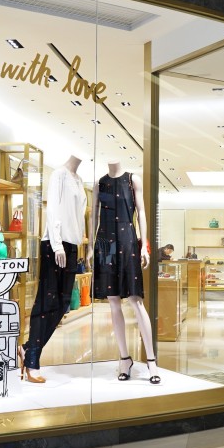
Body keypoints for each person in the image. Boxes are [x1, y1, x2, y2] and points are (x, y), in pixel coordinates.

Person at [91, 161, 161, 384]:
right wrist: (90, 246)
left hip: (128, 240)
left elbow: (141, 212)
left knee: (135, 300)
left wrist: (144, 246)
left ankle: (151, 361)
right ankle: (124, 359)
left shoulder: (133, 180)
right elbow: (94, 216)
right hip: (105, 243)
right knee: (113, 301)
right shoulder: (99, 183)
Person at [19, 154, 86, 384]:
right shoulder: (59, 174)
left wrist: (79, 243)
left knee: (63, 303)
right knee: (46, 302)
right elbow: (54, 211)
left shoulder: (79, 180)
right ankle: (32, 361)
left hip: (72, 245)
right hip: (56, 245)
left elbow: (79, 216)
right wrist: (57, 244)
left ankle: (28, 349)